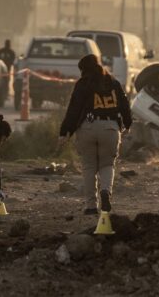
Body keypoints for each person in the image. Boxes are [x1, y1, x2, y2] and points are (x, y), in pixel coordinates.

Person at [59, 54, 132, 215]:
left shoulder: (83, 84)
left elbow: (73, 110)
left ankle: (91, 205)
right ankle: (105, 191)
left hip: (87, 128)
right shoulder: (113, 83)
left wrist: (65, 132)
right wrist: (128, 123)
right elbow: (124, 104)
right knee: (107, 165)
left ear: (83, 70)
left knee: (89, 166)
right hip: (111, 128)